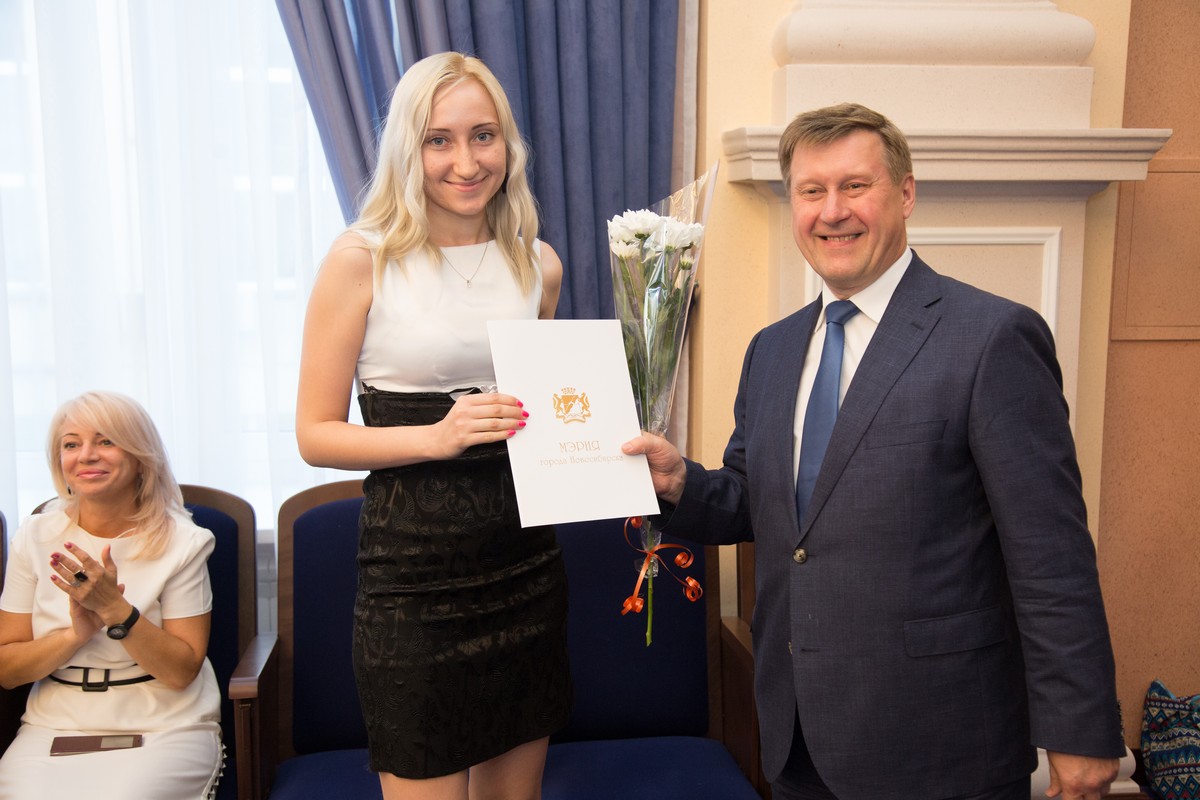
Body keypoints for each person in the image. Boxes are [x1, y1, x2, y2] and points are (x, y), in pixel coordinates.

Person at [622, 103, 1125, 800]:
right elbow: (758, 502)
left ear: (906, 193)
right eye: (811, 190)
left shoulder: (992, 338)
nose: (833, 211)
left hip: (943, 749)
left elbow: (1052, 555)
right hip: (798, 739)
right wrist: (679, 482)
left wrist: (1080, 728)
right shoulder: (772, 351)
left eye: (855, 186)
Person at [295, 52, 569, 800]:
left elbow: (545, 411)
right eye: (438, 140)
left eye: (484, 136)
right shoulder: (360, 260)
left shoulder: (538, 265)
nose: (466, 162)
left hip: (526, 568)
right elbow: (315, 434)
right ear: (406, 149)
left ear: (508, 145)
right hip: (412, 583)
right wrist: (437, 437)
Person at [0, 391, 222, 798]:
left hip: (164, 723)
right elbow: (7, 669)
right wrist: (75, 635)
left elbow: (181, 672)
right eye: (71, 444)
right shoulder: (33, 535)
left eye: (106, 441)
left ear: (141, 457)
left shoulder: (184, 542)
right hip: (55, 722)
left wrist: (115, 610)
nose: (86, 455)